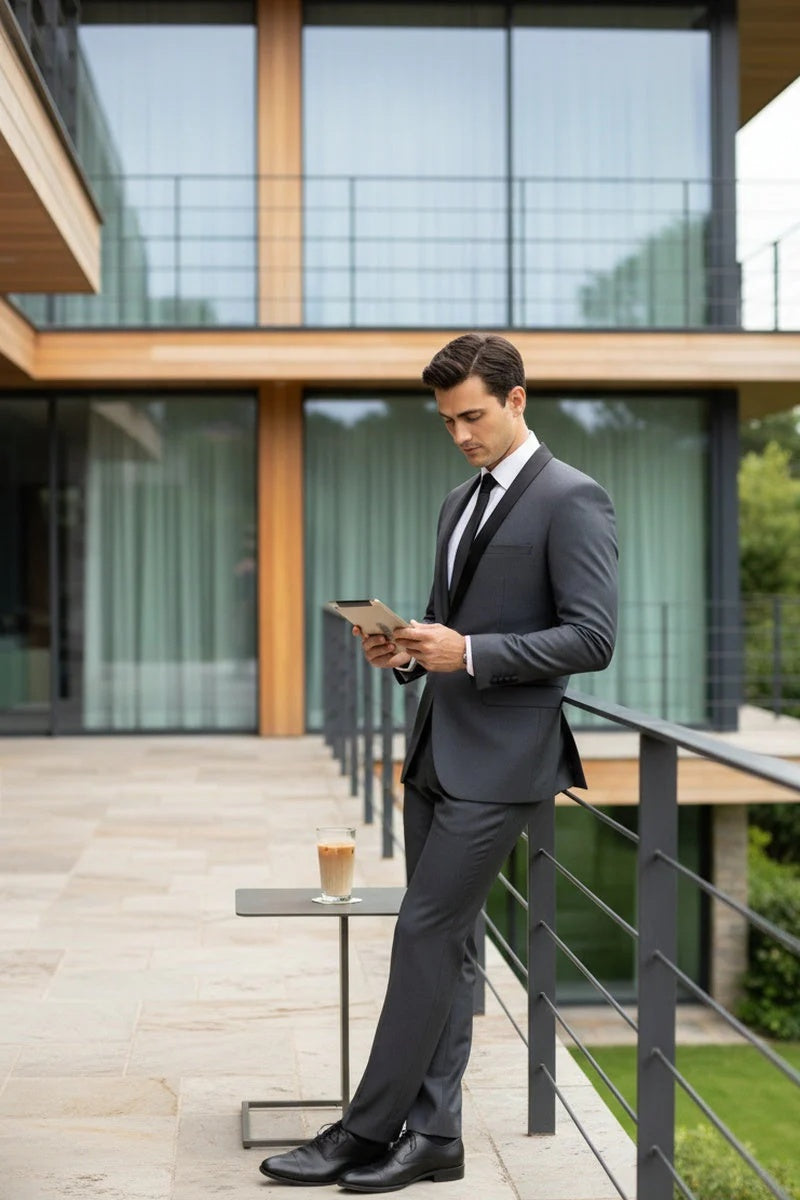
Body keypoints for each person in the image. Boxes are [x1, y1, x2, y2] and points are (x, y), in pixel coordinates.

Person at [260, 333, 618, 1192]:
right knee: (450, 947)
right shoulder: (458, 501)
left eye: (474, 416)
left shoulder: (573, 498)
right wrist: (409, 651)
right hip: (436, 750)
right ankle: (436, 1138)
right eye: (448, 420)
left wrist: (474, 652)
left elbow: (593, 637)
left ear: (517, 400)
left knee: (421, 931)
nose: (461, 433)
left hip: (506, 760)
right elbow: (443, 624)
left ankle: (363, 1129)